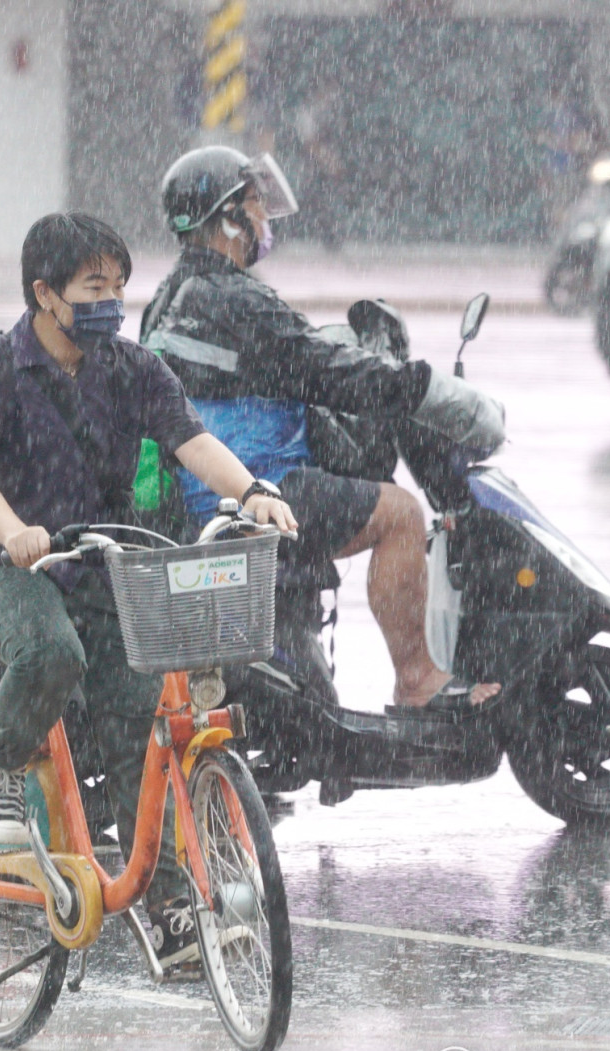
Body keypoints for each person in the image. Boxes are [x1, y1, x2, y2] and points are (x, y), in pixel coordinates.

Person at [0, 211, 295, 969]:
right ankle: (3, 771)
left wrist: (253, 491)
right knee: (50, 651)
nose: (112, 298)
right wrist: (14, 535)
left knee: (147, 716)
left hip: (102, 565)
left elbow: (192, 441)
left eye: (119, 284)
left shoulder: (132, 369)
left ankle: (165, 904)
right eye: (93, 285)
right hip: (1, 569)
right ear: (45, 293)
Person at [140, 146, 502, 718]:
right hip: (254, 491)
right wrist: (419, 389)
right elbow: (321, 367)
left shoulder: (169, 299)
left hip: (201, 496)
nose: (264, 222)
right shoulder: (233, 299)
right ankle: (418, 680)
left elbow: (290, 359)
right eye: (255, 207)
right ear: (230, 218)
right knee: (400, 513)